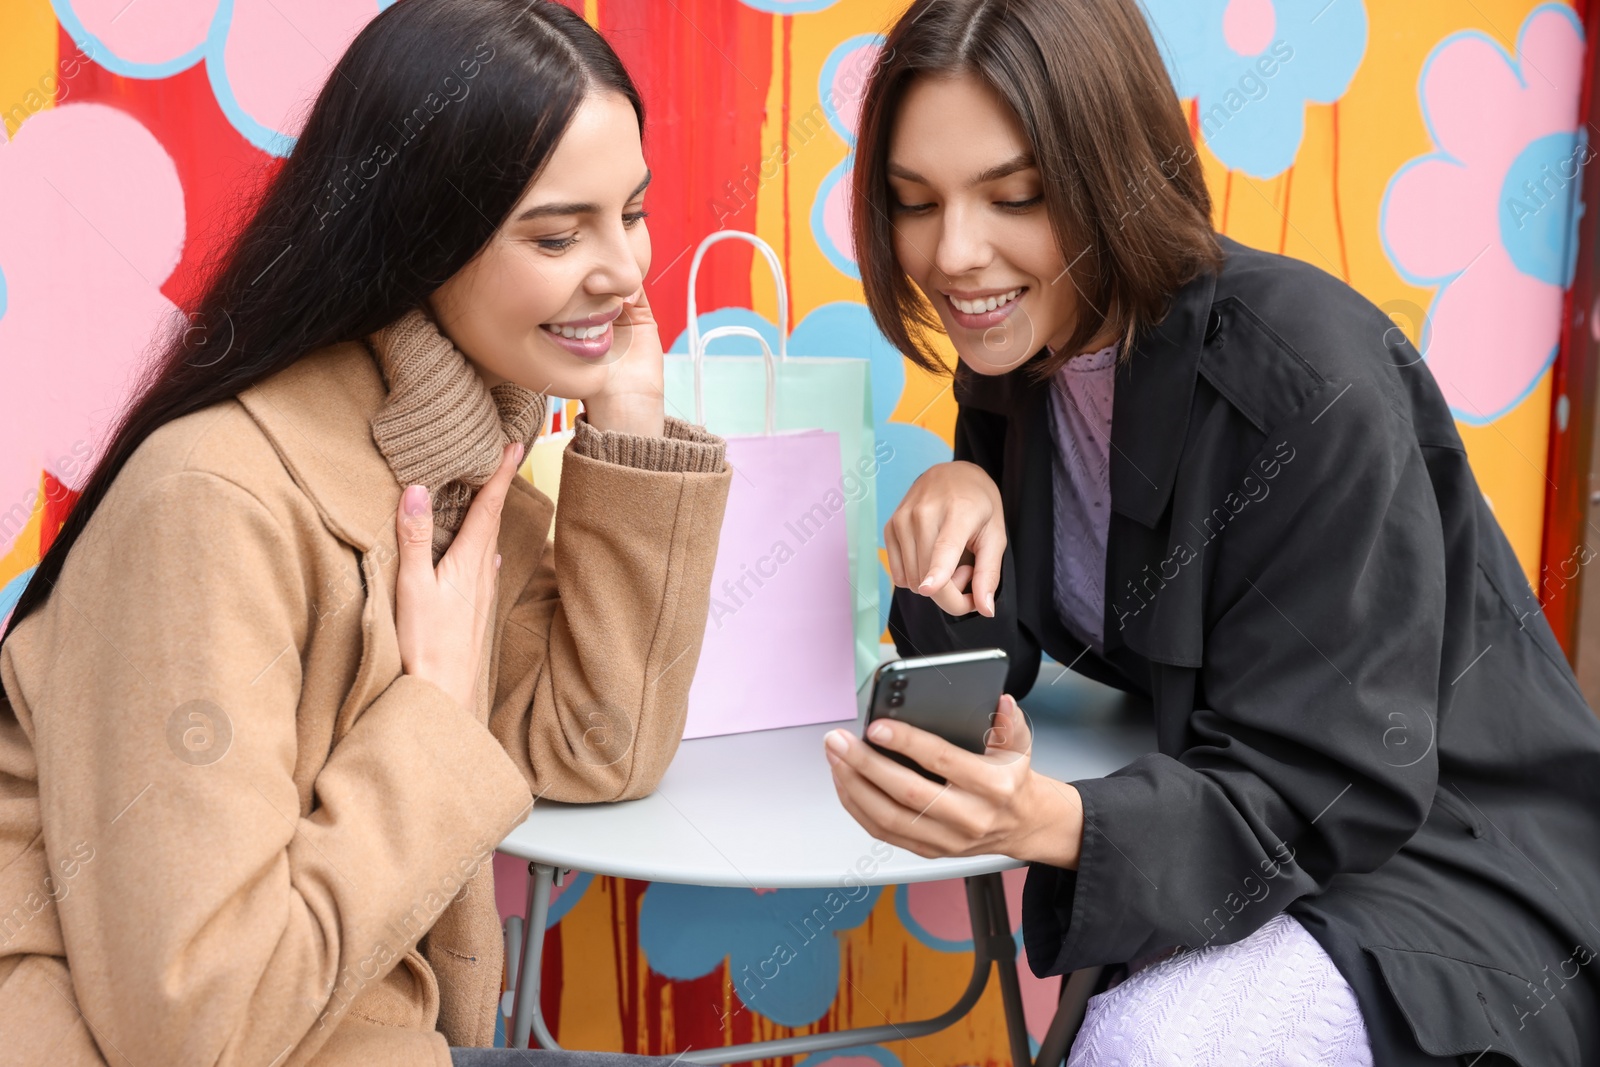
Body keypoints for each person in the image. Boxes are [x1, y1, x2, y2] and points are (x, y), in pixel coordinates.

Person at [822, 1, 1600, 1064]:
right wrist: (957, 511)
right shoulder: (1023, 345)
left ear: (1112, 170)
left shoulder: (1309, 384)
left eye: (1015, 196)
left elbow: (1332, 775)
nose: (955, 254)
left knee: (1148, 1044)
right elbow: (994, 670)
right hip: (1232, 822)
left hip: (1439, 858)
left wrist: (1044, 820)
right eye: (914, 202)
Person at [0, 2, 727, 1064]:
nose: (623, 273)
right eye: (560, 233)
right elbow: (194, 1025)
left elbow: (597, 745)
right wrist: (429, 712)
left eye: (634, 213)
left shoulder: (456, 469)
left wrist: (628, 436)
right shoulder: (214, 502)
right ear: (419, 235)